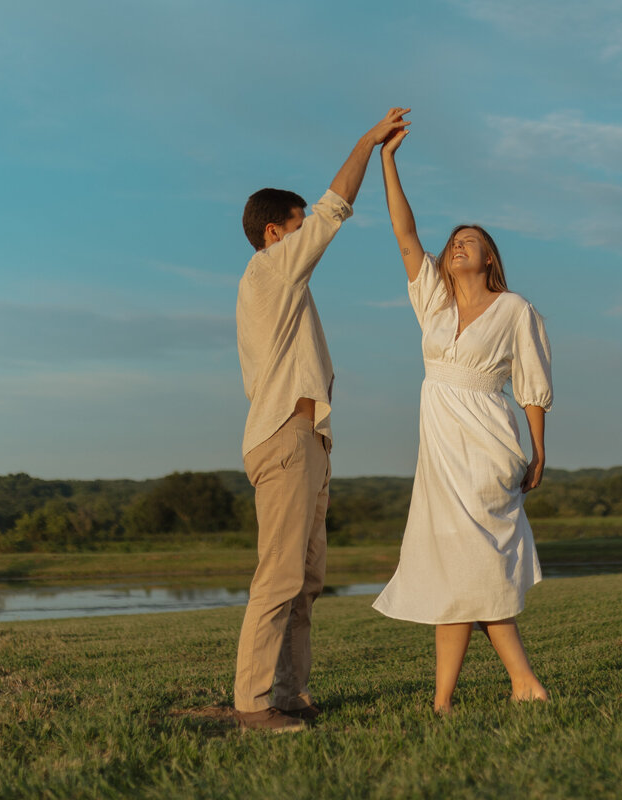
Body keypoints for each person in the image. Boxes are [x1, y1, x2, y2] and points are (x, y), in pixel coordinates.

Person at [233, 108, 411, 733]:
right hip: (284, 438)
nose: (309, 232)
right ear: (276, 233)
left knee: (306, 580)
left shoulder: (286, 283)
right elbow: (336, 206)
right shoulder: (270, 268)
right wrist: (368, 142)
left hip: (307, 440)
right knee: (278, 575)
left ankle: (289, 693)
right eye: (298, 224)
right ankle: (253, 705)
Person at [371, 119, 553, 714]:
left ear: (489, 257)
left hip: (487, 446)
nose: (457, 244)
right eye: (454, 241)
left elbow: (531, 384)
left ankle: (522, 679)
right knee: (455, 572)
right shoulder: (432, 300)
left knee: (477, 564)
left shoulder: (515, 309)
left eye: (470, 240)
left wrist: (539, 447)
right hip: (438, 454)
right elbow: (404, 234)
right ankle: (444, 701)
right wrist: (387, 161)